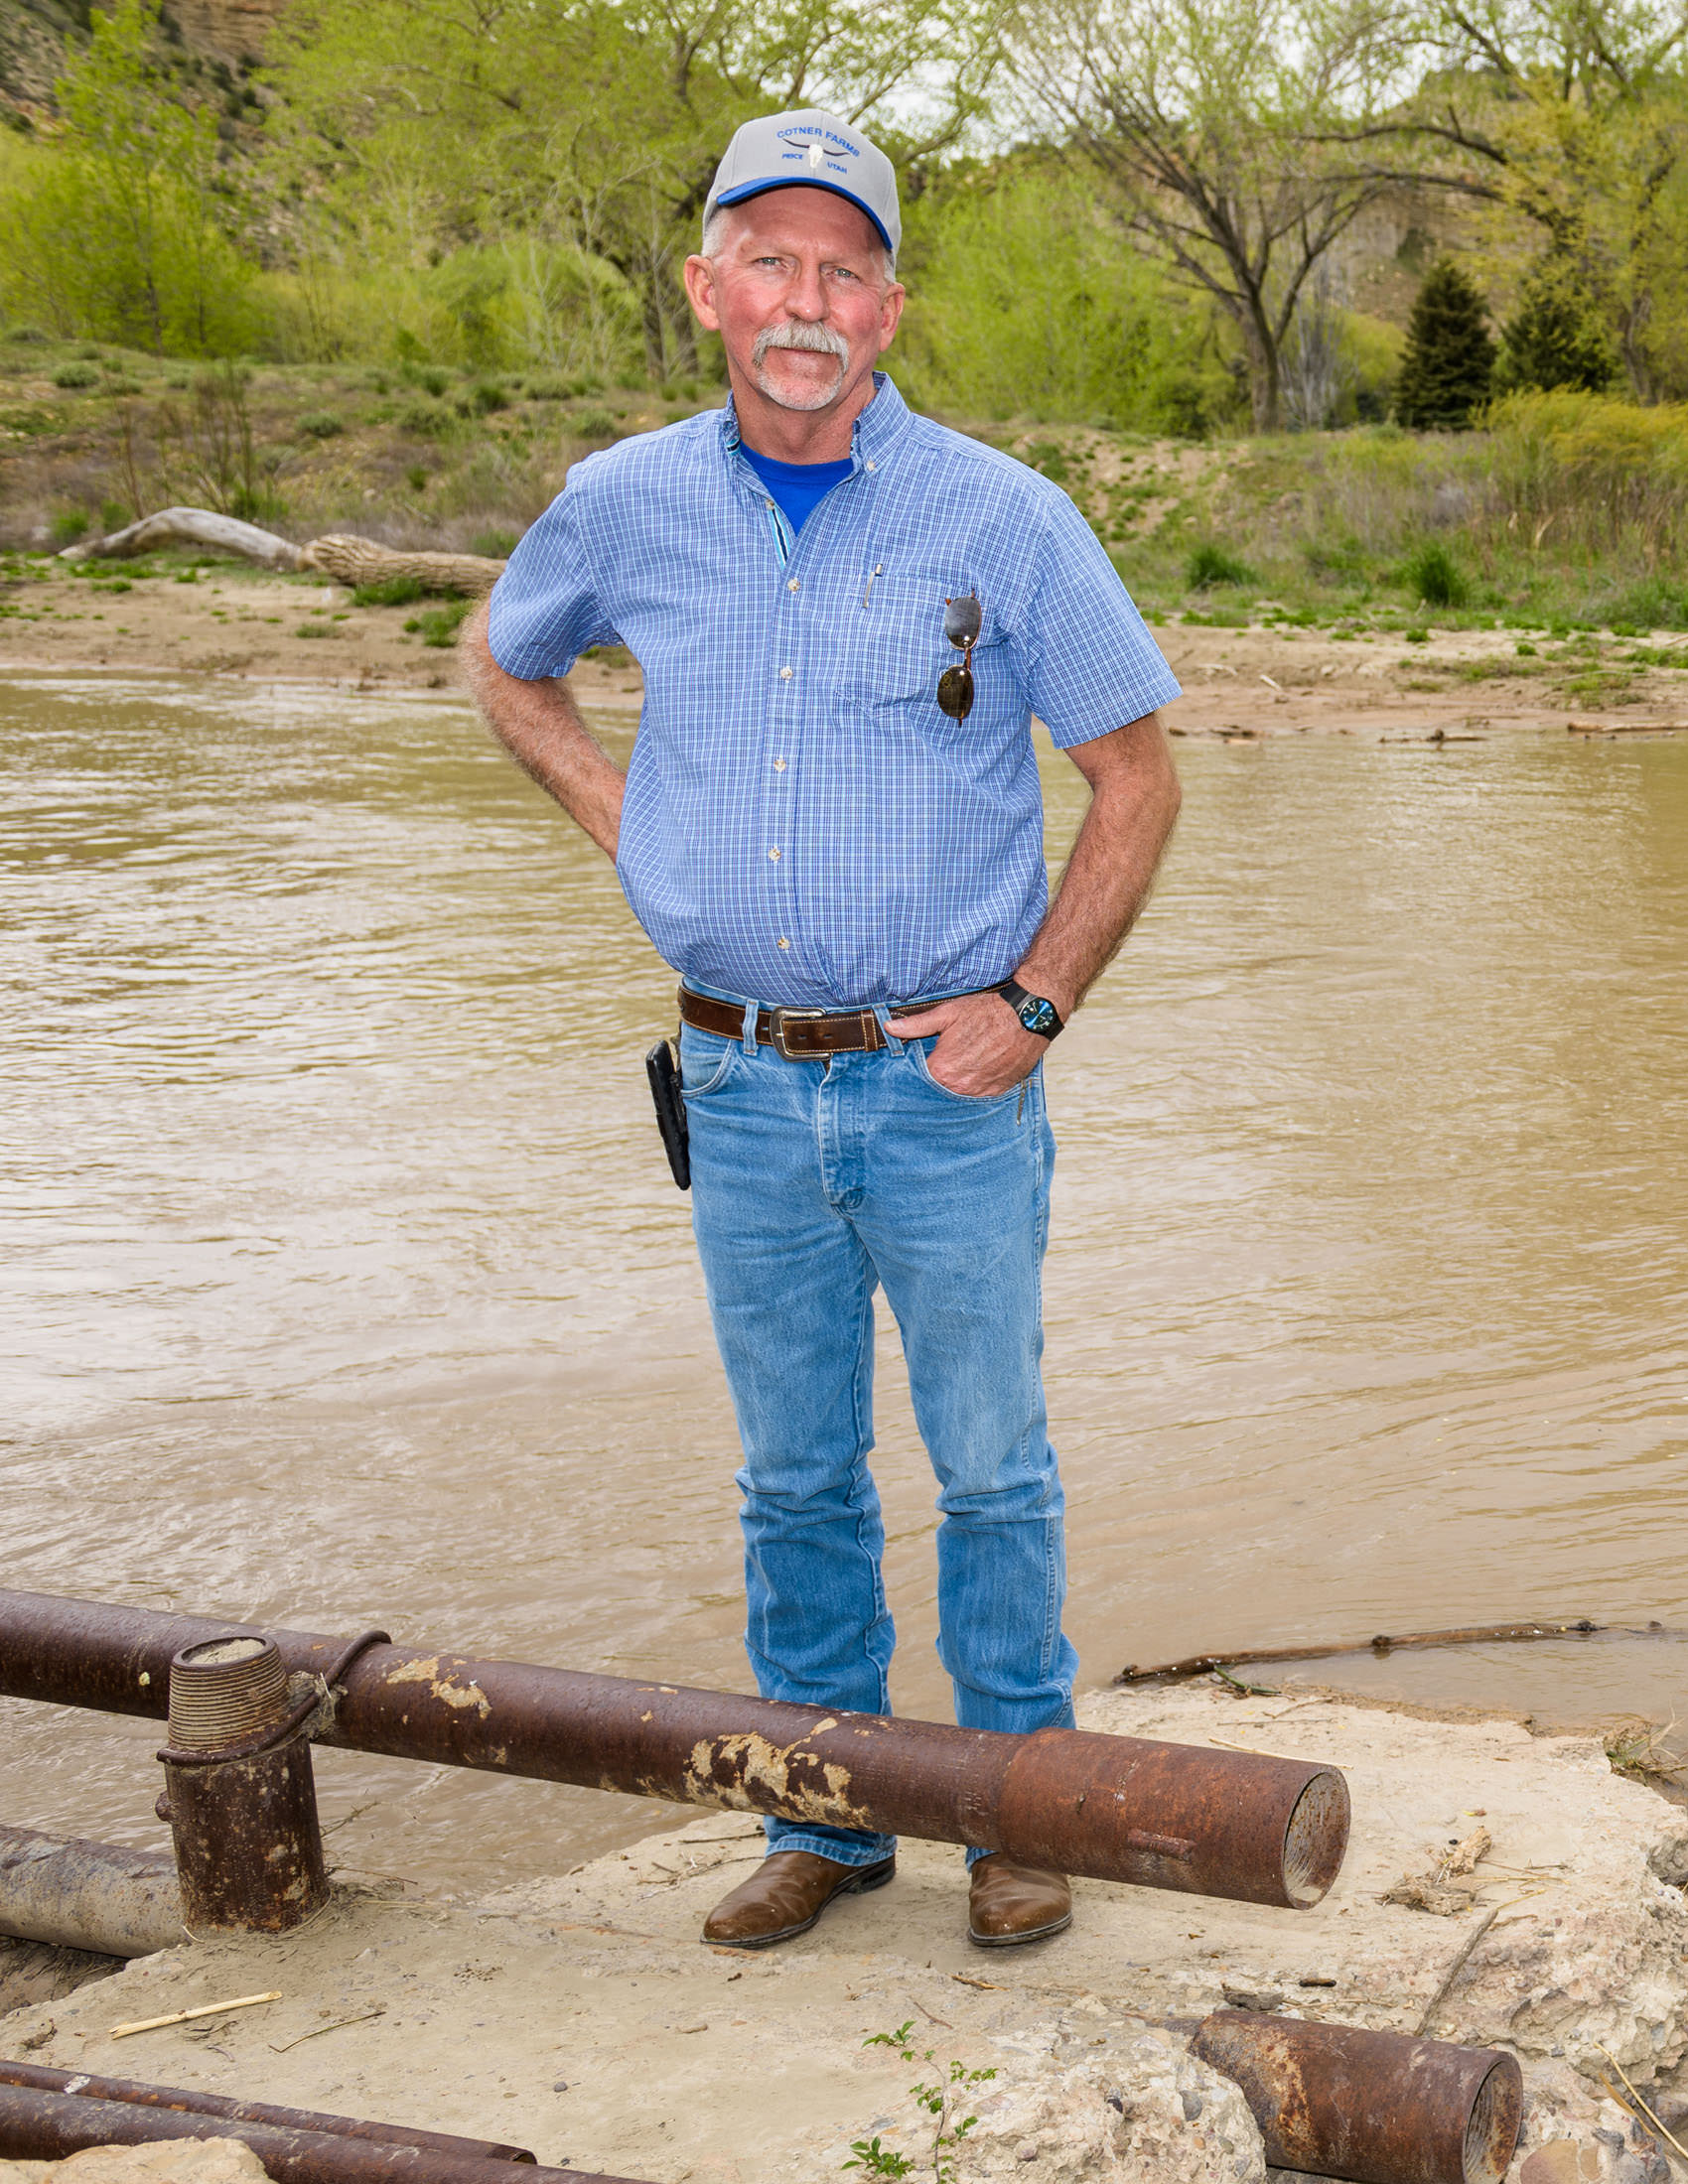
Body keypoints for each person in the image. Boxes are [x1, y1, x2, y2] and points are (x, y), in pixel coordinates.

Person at [461, 108, 1184, 1954]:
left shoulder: (1006, 520)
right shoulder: (623, 500)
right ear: (707, 290)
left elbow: (1135, 777)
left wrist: (1035, 1006)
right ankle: (828, 1816)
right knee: (793, 1475)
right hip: (737, 1077)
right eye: (770, 264)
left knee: (994, 1469)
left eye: (844, 269)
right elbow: (504, 658)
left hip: (948, 1089)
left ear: (891, 309)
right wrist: (636, 830)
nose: (807, 300)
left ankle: (1021, 1815)